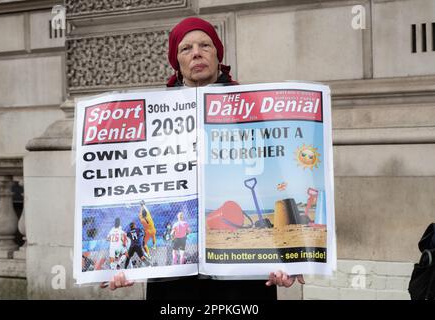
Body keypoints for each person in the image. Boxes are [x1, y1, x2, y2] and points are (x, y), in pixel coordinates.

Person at [102, 16, 305, 297]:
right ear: (177, 60)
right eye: (186, 48)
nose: (196, 52)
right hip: (175, 279)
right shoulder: (154, 113)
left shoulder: (252, 108)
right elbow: (133, 182)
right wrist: (119, 267)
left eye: (205, 45)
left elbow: (278, 170)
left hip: (241, 275)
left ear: (218, 55)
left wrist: (293, 258)